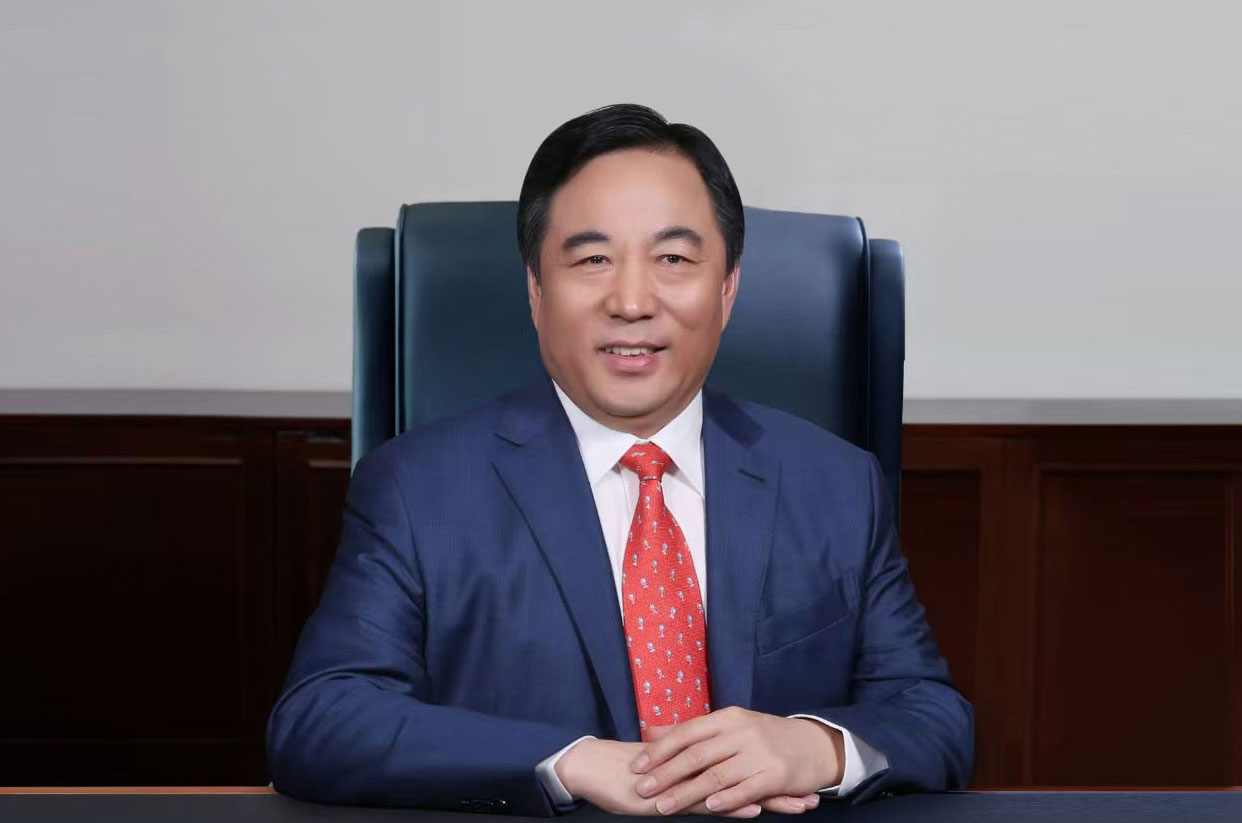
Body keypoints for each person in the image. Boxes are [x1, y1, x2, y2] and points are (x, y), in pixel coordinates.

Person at [266, 103, 973, 817]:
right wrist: (567, 762)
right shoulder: (418, 488)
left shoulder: (836, 482)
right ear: (536, 291)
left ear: (727, 288)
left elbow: (932, 715)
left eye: (674, 259)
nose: (632, 302)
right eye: (592, 259)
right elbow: (322, 719)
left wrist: (815, 746)